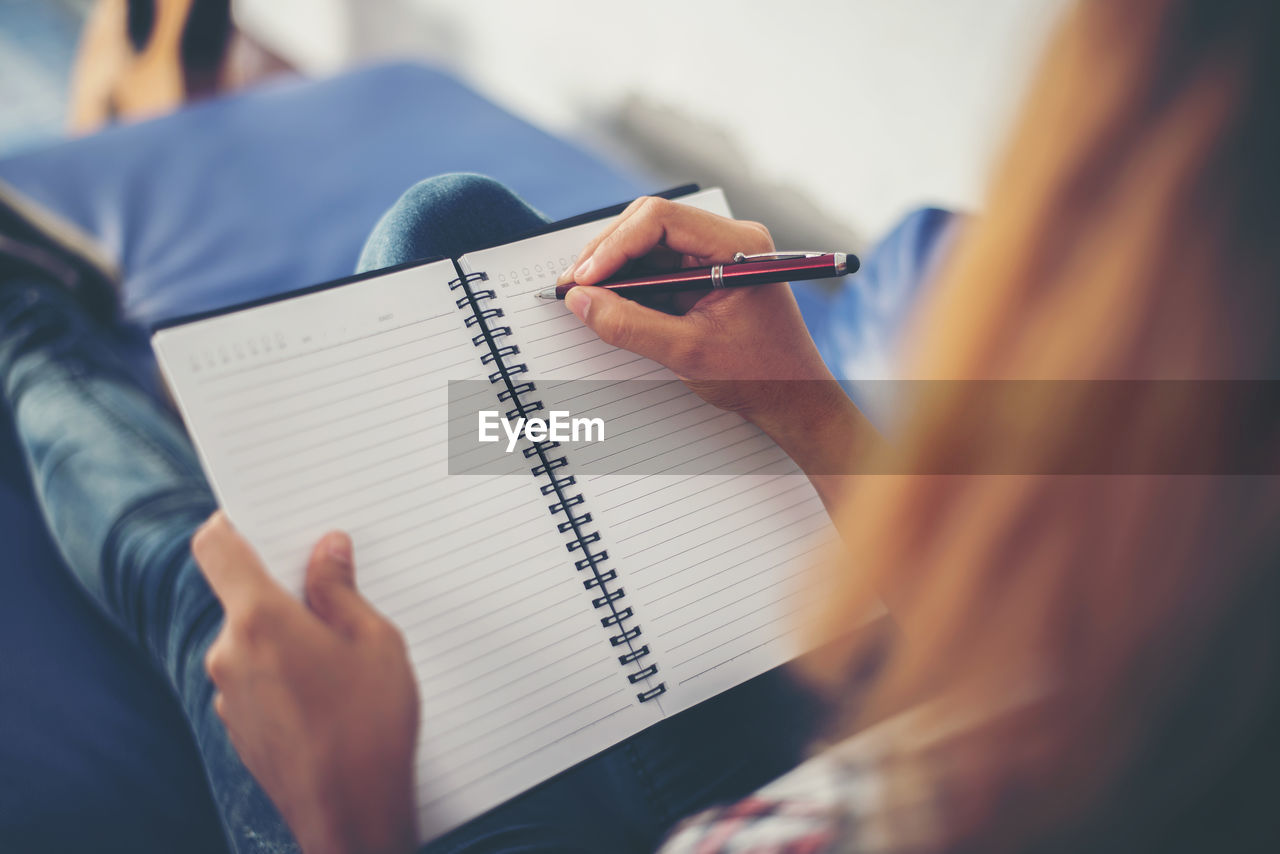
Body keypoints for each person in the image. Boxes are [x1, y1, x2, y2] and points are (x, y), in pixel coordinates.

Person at [3, 1, 1277, 853]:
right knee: (449, 235)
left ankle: (28, 336)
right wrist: (809, 415)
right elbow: (1027, 684)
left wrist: (351, 810)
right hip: (868, 752)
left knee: (206, 584)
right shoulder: (1206, 627)